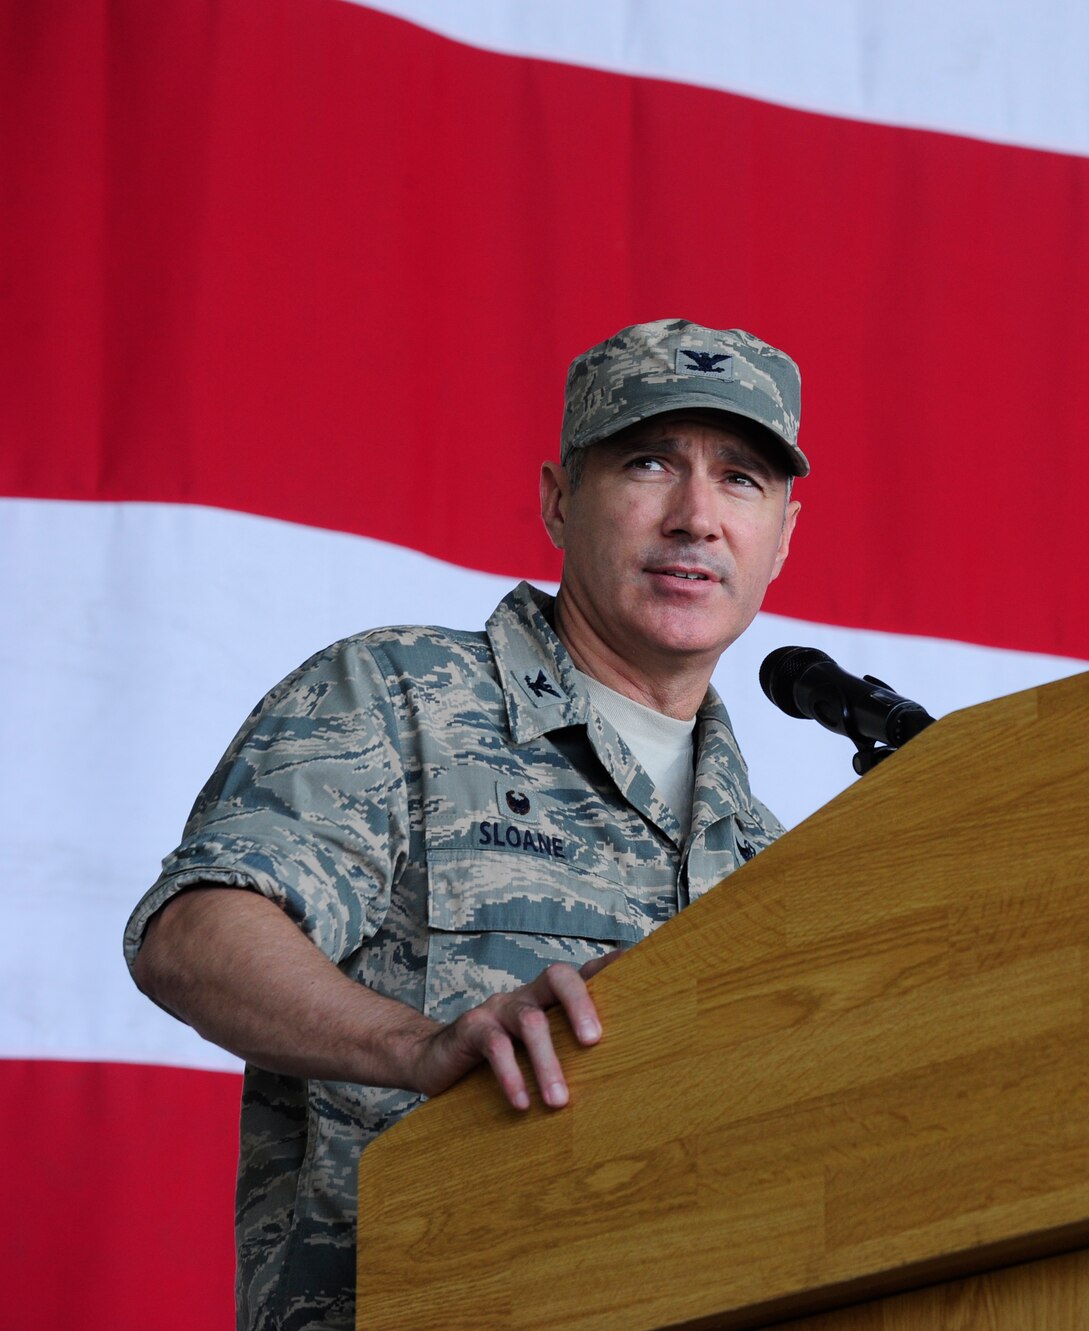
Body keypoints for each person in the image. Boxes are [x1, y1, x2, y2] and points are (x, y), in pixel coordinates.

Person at [124, 318, 808, 1331]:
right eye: (650, 460)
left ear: (784, 537)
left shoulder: (771, 854)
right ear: (557, 498)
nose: (696, 516)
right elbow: (194, 933)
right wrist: (417, 1044)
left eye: (741, 477)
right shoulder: (401, 695)